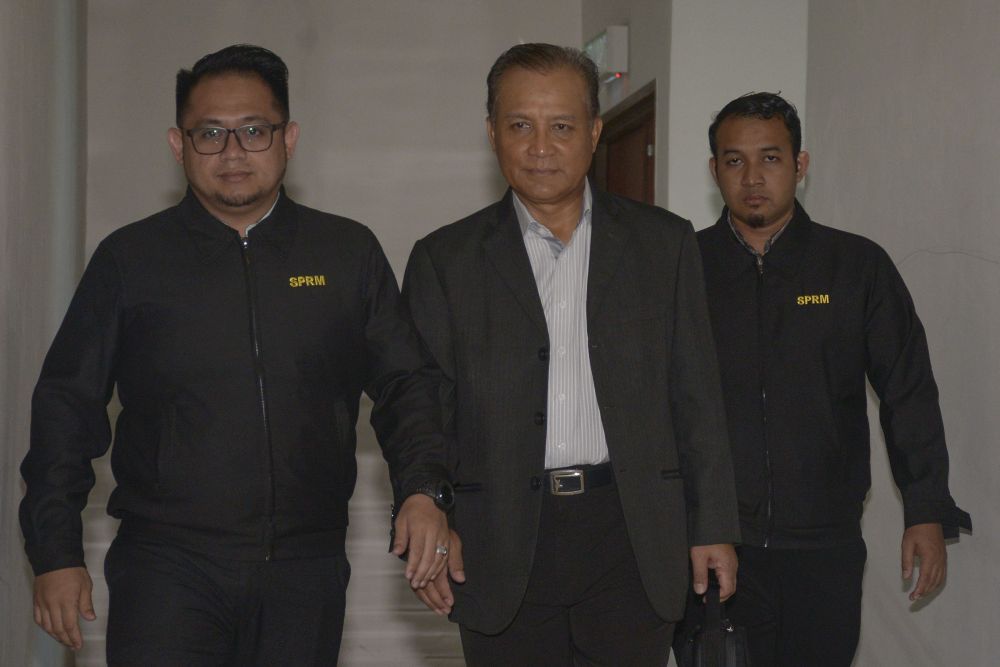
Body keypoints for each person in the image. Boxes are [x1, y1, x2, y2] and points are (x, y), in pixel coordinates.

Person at [20, 44, 454, 666]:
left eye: (254, 130)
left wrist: (423, 490)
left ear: (288, 138)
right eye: (209, 134)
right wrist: (56, 552)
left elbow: (408, 385)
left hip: (306, 571)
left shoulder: (345, 254)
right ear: (178, 145)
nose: (232, 152)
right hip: (167, 571)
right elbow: (66, 404)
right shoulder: (130, 261)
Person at [401, 43, 740, 666]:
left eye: (561, 126)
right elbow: (423, 403)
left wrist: (714, 524)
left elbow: (697, 393)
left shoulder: (663, 245)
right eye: (519, 126)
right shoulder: (444, 260)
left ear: (594, 132)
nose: (540, 147)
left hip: (630, 535)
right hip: (500, 538)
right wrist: (428, 499)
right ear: (491, 133)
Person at [686, 91, 972, 666]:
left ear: (801, 165)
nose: (753, 177)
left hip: (824, 545)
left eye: (770, 158)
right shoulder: (684, 269)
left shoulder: (856, 267)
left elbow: (908, 392)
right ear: (714, 169)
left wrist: (925, 509)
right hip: (715, 544)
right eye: (734, 160)